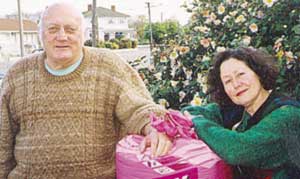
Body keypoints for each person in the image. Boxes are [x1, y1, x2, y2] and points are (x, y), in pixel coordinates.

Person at [0, 2, 171, 179]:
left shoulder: (108, 66)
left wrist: (156, 128)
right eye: (53, 29)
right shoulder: (17, 74)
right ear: (41, 35)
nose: (62, 36)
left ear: (83, 34)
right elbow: (2, 141)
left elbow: (139, 108)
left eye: (70, 29)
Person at [183, 47, 300, 179]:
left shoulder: (288, 114)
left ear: (258, 73)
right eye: (227, 81)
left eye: (241, 74)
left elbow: (237, 150)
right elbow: (190, 111)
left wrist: (197, 122)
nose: (236, 84)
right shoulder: (238, 110)